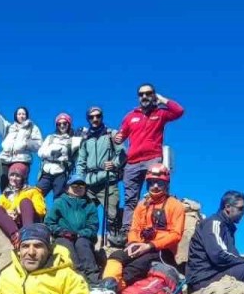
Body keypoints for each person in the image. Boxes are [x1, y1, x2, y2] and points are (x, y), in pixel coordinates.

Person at [99, 164, 185, 294]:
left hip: (162, 251)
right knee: (116, 256)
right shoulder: (142, 205)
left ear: (166, 185)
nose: (155, 186)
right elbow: (134, 228)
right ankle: (107, 284)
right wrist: (134, 243)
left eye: (159, 183)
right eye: (151, 182)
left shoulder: (175, 205)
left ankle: (113, 291)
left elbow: (176, 235)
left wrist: (150, 245)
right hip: (140, 246)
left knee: (135, 267)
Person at [117, 84, 184, 233]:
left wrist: (161, 99)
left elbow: (179, 111)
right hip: (132, 163)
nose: (144, 97)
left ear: (153, 95)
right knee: (130, 199)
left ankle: (155, 227)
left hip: (152, 160)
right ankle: (127, 230)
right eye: (141, 94)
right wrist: (117, 138)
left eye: (148, 93)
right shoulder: (130, 116)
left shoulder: (160, 113)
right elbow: (121, 136)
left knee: (155, 195)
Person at [186, 191, 244, 292]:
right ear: (228, 207)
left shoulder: (228, 229)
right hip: (204, 279)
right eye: (241, 208)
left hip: (213, 275)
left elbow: (231, 257)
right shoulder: (214, 223)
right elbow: (218, 255)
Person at [73, 106, 125, 244]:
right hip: (89, 183)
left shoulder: (111, 134)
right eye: (91, 117)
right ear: (88, 119)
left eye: (98, 116)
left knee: (112, 214)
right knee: (83, 214)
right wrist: (80, 179)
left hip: (108, 181)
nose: (95, 119)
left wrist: (114, 164)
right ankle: (86, 240)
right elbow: (81, 161)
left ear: (102, 117)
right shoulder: (85, 139)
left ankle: (114, 243)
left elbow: (123, 154)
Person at [0, 94, 43, 191]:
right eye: (19, 114)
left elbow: (39, 144)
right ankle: (5, 204)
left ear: (27, 116)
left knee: (19, 185)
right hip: (5, 160)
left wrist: (25, 143)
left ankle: (20, 204)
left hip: (21, 159)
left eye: (23, 114)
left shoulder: (32, 128)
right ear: (16, 116)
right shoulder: (9, 128)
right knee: (3, 182)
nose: (21, 116)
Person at [45, 175, 101, 285]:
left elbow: (93, 226)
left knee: (82, 244)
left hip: (83, 237)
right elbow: (49, 222)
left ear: (85, 189)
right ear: (67, 188)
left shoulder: (90, 205)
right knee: (67, 247)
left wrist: (81, 234)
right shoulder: (60, 202)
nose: (78, 188)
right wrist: (62, 232)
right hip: (63, 236)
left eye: (81, 186)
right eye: (74, 185)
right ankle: (78, 278)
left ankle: (93, 279)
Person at [0, 163, 47, 245]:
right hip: (14, 225)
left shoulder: (32, 191)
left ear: (23, 178)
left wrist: (19, 210)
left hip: (31, 222)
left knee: (25, 202)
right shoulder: (4, 196)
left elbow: (41, 211)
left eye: (17, 176)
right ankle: (15, 237)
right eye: (12, 175)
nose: (14, 178)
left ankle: (28, 234)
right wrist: (8, 213)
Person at [36, 113, 79, 199]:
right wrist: (51, 153)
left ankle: (57, 212)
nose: (62, 126)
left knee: (59, 199)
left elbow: (86, 138)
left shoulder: (74, 140)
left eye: (65, 123)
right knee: (36, 195)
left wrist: (84, 132)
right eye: (59, 124)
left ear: (69, 124)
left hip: (61, 172)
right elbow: (40, 152)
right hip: (46, 171)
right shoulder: (50, 138)